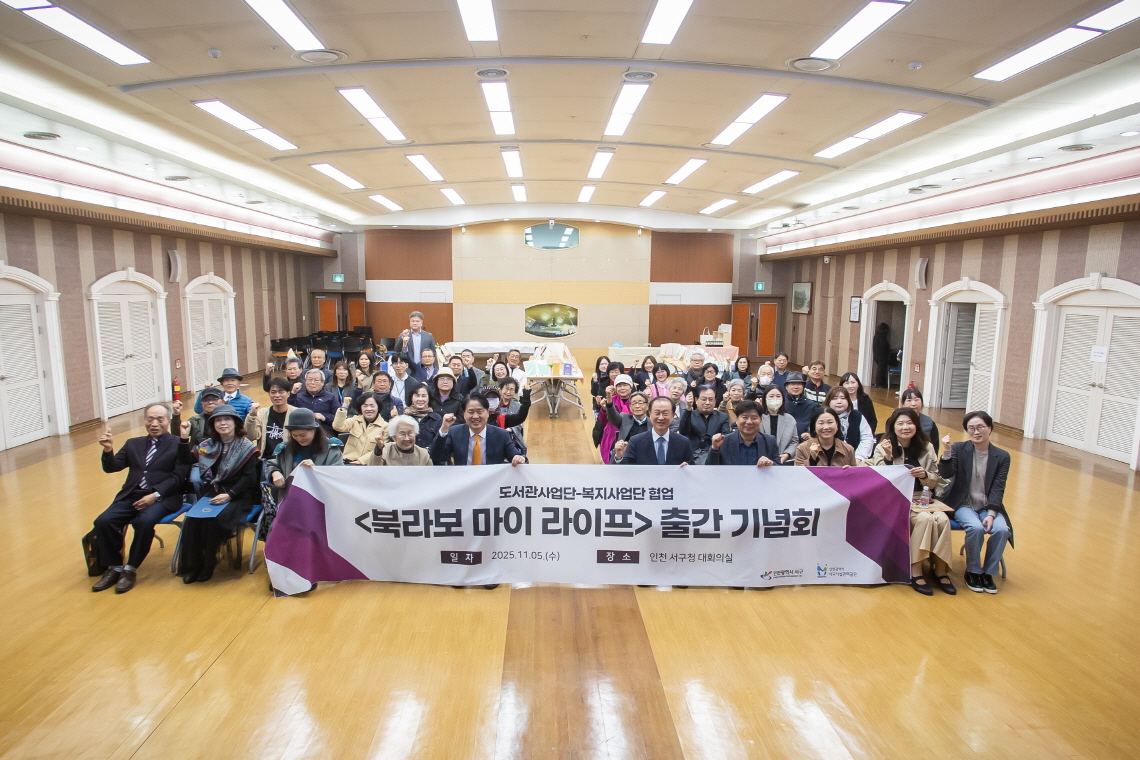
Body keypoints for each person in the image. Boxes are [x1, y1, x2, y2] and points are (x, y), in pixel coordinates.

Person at [90, 403, 190, 593]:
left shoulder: (179, 444)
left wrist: (155, 495)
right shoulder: (133, 444)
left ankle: (130, 568)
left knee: (144, 521)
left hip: (163, 497)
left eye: (160, 419)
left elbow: (178, 478)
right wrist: (108, 450)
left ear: (169, 421)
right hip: (132, 495)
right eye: (150, 419)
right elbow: (112, 467)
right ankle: (114, 567)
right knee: (103, 521)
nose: (154, 424)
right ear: (144, 421)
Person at [870, 407, 951, 595]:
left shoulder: (927, 447)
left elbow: (936, 480)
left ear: (916, 425)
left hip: (923, 498)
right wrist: (888, 458)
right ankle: (916, 570)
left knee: (942, 520)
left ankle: (940, 570)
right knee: (925, 519)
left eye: (910, 423)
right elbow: (879, 480)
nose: (905, 427)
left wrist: (925, 475)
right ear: (893, 427)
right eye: (900, 424)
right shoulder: (883, 446)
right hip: (896, 500)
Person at [176, 404, 260, 583]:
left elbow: (249, 479)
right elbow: (185, 459)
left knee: (214, 521)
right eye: (218, 420)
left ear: (236, 423)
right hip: (212, 494)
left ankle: (208, 564)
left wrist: (230, 495)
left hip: (238, 496)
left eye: (227, 419)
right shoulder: (207, 445)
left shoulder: (246, 447)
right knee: (192, 520)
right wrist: (184, 437)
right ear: (213, 425)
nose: (223, 423)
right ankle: (193, 566)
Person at [938, 411, 1012, 595]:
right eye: (971, 428)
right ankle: (973, 571)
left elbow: (998, 488)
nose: (976, 432)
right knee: (975, 527)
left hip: (988, 506)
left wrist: (991, 514)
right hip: (964, 504)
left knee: (1002, 530)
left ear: (990, 428)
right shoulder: (959, 448)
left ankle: (989, 573)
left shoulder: (1002, 456)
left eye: (980, 427)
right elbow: (946, 474)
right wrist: (947, 451)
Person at [265, 408, 344, 540]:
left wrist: (316, 471)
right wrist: (275, 472)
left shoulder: (332, 450)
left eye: (303, 435)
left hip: (321, 505)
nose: (299, 439)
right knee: (278, 534)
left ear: (314, 430)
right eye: (295, 435)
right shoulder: (285, 449)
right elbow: (271, 465)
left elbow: (339, 475)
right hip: (290, 504)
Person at [431, 393, 526, 466]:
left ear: (487, 413)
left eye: (480, 412)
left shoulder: (501, 434)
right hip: (463, 481)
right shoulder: (454, 432)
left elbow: (514, 454)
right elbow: (437, 456)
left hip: (492, 482)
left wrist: (519, 458)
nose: (475, 416)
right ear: (464, 414)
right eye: (471, 412)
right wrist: (444, 429)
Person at [615, 396, 695, 465]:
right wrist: (619, 457)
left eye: (665, 414)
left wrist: (687, 468)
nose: (661, 417)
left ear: (673, 416)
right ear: (649, 414)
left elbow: (691, 468)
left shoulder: (683, 442)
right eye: (657, 413)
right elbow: (626, 469)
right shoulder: (636, 441)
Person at [706, 400, 780, 467]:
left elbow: (780, 470)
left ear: (761, 420)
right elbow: (710, 469)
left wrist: (771, 464)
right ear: (736, 419)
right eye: (745, 417)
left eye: (754, 418)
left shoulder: (770, 441)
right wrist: (714, 448)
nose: (749, 422)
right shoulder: (723, 442)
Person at [245, 377, 296, 461]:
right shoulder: (261, 413)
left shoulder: (295, 413)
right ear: (268, 393)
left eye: (281, 392)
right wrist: (252, 415)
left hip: (288, 460)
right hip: (265, 460)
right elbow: (250, 436)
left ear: (288, 393)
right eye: (273, 392)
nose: (277, 395)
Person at [678, 385, 731, 464]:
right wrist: (688, 408)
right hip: (694, 456)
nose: (707, 403)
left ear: (715, 401)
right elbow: (683, 432)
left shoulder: (722, 417)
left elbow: (726, 438)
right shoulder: (689, 415)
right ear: (696, 400)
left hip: (716, 455)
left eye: (711, 400)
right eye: (704, 399)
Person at [333, 391, 389, 464]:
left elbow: (383, 449)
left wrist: (360, 461)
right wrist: (344, 407)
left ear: (378, 407)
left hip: (369, 464)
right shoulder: (354, 420)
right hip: (347, 462)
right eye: (365, 406)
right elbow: (338, 426)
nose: (369, 409)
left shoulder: (385, 427)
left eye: (372, 406)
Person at [794, 407, 859, 467]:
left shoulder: (848, 449)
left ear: (837, 425)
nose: (826, 427)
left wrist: (849, 472)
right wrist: (812, 459)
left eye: (830, 422)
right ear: (814, 426)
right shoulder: (802, 448)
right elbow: (799, 473)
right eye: (821, 423)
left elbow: (855, 474)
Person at [825, 386, 874, 460]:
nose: (839, 402)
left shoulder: (857, 416)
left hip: (856, 460)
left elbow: (867, 438)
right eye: (835, 398)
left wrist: (858, 458)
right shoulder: (822, 416)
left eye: (843, 398)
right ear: (828, 401)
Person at [603, 391, 651, 462]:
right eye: (634, 403)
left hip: (646, 459)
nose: (637, 406)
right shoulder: (624, 418)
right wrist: (609, 401)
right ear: (630, 406)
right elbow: (612, 416)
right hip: (626, 458)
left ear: (647, 406)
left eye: (640, 403)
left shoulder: (653, 422)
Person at [288, 369, 339, 435]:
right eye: (309, 380)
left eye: (316, 380)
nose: (312, 383)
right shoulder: (298, 397)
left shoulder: (330, 397)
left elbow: (339, 418)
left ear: (322, 383)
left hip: (324, 433)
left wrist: (324, 417)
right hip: (302, 432)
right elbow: (289, 413)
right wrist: (293, 393)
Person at [759, 385, 799, 464]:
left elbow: (794, 441)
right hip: (760, 460)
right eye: (771, 396)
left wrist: (787, 454)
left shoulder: (790, 419)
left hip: (783, 461)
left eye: (778, 396)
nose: (775, 399)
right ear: (765, 399)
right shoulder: (758, 418)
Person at [598, 374, 633, 464]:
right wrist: (604, 409)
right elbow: (603, 420)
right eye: (619, 386)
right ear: (615, 388)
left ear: (631, 387)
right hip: (612, 436)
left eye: (625, 385)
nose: (622, 388)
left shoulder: (635, 400)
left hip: (630, 434)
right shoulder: (610, 400)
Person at [900, 387, 941, 454]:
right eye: (909, 400)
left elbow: (934, 448)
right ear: (903, 403)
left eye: (916, 400)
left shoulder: (929, 423)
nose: (913, 404)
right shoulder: (894, 421)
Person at [397, 310, 435, 376]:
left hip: (424, 369)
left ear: (421, 323)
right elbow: (397, 350)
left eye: (417, 321)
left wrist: (435, 369)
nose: (415, 323)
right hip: (408, 369)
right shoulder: (404, 334)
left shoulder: (429, 336)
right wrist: (402, 338)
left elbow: (434, 353)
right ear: (410, 322)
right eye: (413, 321)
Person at [405, 385, 443, 449]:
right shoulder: (404, 418)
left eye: (423, 396)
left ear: (429, 398)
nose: (420, 399)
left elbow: (438, 441)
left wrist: (426, 451)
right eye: (417, 396)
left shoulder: (436, 418)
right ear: (411, 398)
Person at [782, 372, 816, 439]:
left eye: (799, 384)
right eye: (793, 384)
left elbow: (814, 423)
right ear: (786, 387)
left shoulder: (810, 405)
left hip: (804, 439)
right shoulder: (781, 403)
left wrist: (809, 433)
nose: (796, 387)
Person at [873, 322, 891, 387]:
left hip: (876, 355)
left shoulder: (876, 336)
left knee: (881, 369)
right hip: (881, 355)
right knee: (881, 370)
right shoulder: (881, 337)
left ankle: (881, 383)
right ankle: (879, 383)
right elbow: (884, 346)